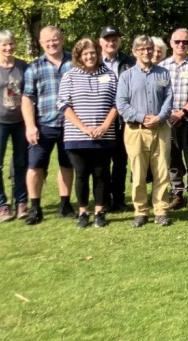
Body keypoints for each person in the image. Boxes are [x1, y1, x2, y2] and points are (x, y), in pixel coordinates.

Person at [58, 38, 118, 228]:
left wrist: (104, 126)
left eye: (92, 52)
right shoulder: (70, 76)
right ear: (79, 56)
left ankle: (100, 212)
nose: (90, 56)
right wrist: (84, 128)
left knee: (101, 174)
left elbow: (117, 103)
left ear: (98, 53)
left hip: (104, 135)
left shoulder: (109, 75)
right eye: (85, 53)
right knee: (81, 174)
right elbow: (63, 104)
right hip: (77, 136)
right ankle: (83, 212)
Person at [116, 35, 174, 227]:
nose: (147, 52)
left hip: (161, 128)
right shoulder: (127, 76)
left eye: (149, 48)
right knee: (138, 173)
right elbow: (121, 104)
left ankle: (161, 210)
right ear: (135, 52)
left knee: (162, 171)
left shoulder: (163, 73)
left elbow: (168, 99)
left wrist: (159, 117)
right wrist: (142, 117)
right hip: (136, 130)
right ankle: (140, 211)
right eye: (142, 49)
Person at [21, 25, 75, 225]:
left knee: (67, 165)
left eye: (55, 39)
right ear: (41, 43)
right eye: (47, 41)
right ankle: (35, 207)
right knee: (35, 166)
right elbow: (27, 98)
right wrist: (30, 125)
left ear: (62, 39)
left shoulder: (74, 62)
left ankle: (65, 204)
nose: (52, 43)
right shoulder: (34, 67)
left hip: (70, 125)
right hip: (44, 125)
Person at [161, 28, 188, 211]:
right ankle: (177, 194)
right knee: (172, 160)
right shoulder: (162, 67)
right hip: (167, 120)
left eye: (185, 42)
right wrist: (169, 113)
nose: (181, 45)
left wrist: (183, 112)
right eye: (177, 41)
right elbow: (159, 94)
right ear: (170, 43)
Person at [99, 26, 134, 212]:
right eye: (107, 39)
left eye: (115, 39)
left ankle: (119, 200)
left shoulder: (129, 61)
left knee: (120, 162)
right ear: (100, 42)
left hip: (123, 121)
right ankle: (103, 200)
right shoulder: (93, 61)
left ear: (119, 41)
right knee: (102, 163)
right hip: (100, 119)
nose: (111, 43)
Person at [0, 30, 28, 221]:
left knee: (21, 163)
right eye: (4, 45)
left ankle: (21, 202)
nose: (8, 48)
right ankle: (2, 205)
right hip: (0, 122)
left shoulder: (23, 66)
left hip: (21, 122)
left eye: (11, 43)